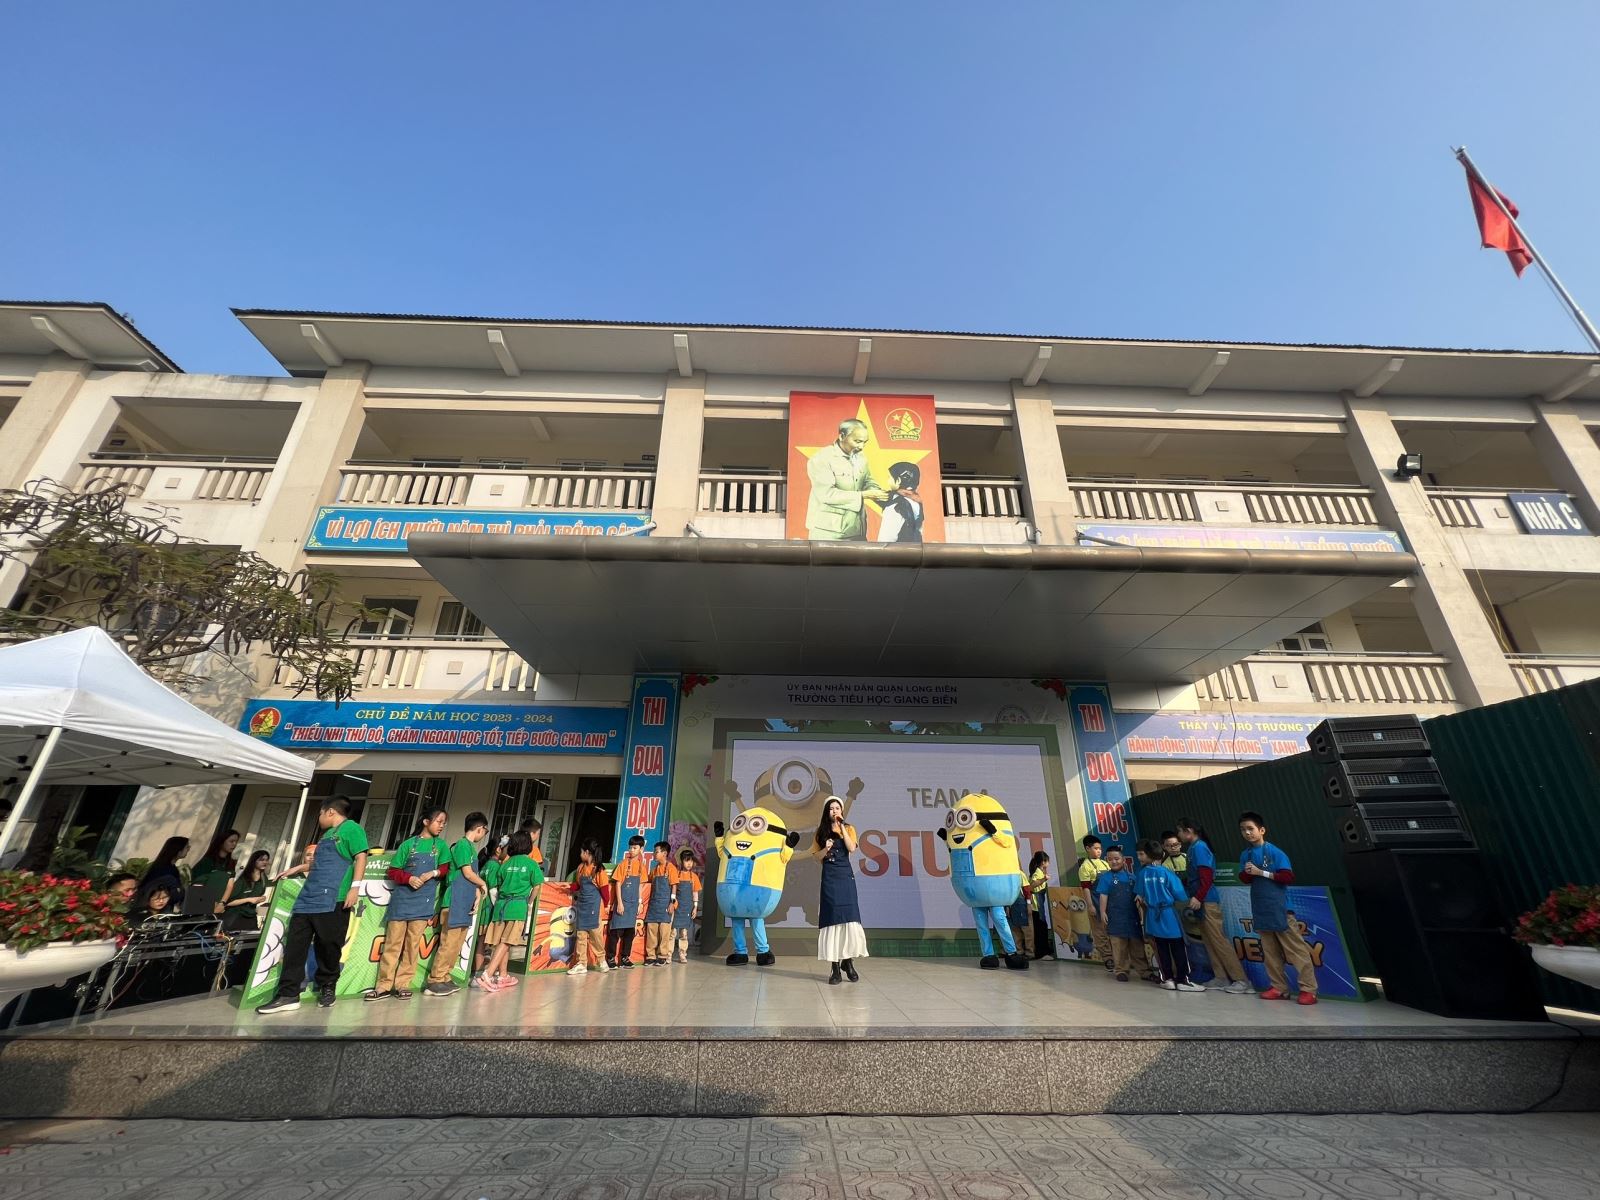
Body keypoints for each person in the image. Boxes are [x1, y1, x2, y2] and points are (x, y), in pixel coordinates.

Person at [256, 797, 369, 1014]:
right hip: (307, 899)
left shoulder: (352, 829)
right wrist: (298, 868)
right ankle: (288, 994)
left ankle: (328, 986)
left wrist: (355, 888)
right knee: (295, 947)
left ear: (330, 812)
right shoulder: (327, 835)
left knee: (328, 946)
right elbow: (319, 863)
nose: (319, 818)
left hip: (333, 898)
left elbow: (361, 857)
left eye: (320, 813)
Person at [366, 806, 450, 1002]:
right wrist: (409, 878)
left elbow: (445, 868)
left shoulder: (441, 846)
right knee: (392, 944)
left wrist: (433, 873)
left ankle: (403, 984)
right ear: (426, 822)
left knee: (412, 946)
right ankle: (383, 985)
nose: (441, 826)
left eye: (443, 823)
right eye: (438, 821)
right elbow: (393, 871)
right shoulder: (408, 845)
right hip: (402, 900)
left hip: (423, 902)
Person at [1238, 811, 1319, 1005]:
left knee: (1296, 950)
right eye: (1243, 830)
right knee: (1270, 952)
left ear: (1262, 830)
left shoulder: (1275, 852)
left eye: (1250, 828)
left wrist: (1261, 872)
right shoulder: (1245, 854)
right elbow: (1244, 878)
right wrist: (1248, 874)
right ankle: (1279, 988)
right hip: (1261, 907)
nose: (1247, 833)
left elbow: (1287, 877)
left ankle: (1308, 989)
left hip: (1281, 908)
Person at [1177, 818, 1252, 995]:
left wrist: (1199, 897)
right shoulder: (1193, 848)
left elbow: (1207, 876)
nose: (1178, 835)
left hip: (1207, 901)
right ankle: (1221, 977)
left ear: (1188, 831)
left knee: (1219, 939)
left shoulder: (1200, 848)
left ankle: (1241, 980)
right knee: (1209, 941)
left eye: (1179, 831)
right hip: (1199, 902)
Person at [426, 811, 490, 998]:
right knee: (449, 943)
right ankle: (435, 980)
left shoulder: (471, 848)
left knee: (457, 943)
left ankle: (445, 976)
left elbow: (472, 876)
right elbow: (468, 873)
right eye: (485, 831)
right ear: (480, 828)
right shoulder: (462, 845)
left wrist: (477, 894)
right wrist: (483, 884)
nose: (483, 835)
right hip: (454, 900)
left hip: (465, 901)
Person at [805, 417, 889, 540]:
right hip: (828, 533)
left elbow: (867, 481)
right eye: (857, 441)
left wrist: (880, 494)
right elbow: (826, 494)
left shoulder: (860, 457)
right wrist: (863, 495)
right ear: (842, 436)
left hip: (857, 529)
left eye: (865, 442)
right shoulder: (821, 458)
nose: (861, 446)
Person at [1136, 840, 1203, 992]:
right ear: (1163, 854)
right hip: (1168, 914)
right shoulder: (1167, 873)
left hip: (1153, 915)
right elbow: (1181, 896)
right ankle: (1183, 980)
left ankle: (1167, 979)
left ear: (1147, 855)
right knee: (1178, 947)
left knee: (1161, 948)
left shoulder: (1143, 873)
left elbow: (1140, 894)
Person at [480, 830, 544, 991]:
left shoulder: (505, 864)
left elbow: (499, 884)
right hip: (517, 907)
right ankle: (488, 973)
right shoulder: (531, 864)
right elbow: (537, 886)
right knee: (507, 942)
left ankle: (503, 975)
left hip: (501, 907)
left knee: (502, 941)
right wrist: (529, 902)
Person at [812, 795, 866, 984]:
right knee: (832, 919)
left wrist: (841, 826)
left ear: (842, 811)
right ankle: (835, 968)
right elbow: (816, 857)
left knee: (849, 919)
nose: (834, 811)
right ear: (826, 811)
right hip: (830, 878)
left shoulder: (849, 828)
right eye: (831, 808)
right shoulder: (820, 832)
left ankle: (848, 962)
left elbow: (851, 848)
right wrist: (825, 849)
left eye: (837, 808)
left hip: (846, 877)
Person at [1093, 847, 1147, 981]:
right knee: (1118, 947)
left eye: (1116, 859)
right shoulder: (1106, 878)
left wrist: (1142, 915)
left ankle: (1145, 971)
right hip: (1115, 918)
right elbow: (1103, 896)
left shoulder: (1132, 877)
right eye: (1110, 859)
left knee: (1137, 946)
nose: (1114, 862)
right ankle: (1121, 970)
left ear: (1123, 860)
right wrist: (1102, 912)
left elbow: (1138, 897)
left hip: (1132, 918)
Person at [568, 840, 611, 976]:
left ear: (587, 852)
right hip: (582, 906)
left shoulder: (598, 870)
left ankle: (602, 960)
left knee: (595, 936)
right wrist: (568, 887)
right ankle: (581, 963)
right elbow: (578, 885)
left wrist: (607, 905)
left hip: (593, 908)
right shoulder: (581, 868)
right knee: (581, 935)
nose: (580, 854)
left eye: (582, 852)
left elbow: (605, 891)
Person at [607, 835, 648, 968]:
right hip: (622, 902)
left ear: (641, 849)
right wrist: (619, 903)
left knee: (630, 933)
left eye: (635, 848)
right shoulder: (623, 864)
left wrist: (640, 902)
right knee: (615, 932)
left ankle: (625, 958)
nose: (631, 850)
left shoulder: (642, 866)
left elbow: (640, 886)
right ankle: (610, 958)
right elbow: (618, 884)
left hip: (633, 904)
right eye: (630, 847)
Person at [473, 837, 510, 984]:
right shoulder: (496, 866)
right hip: (490, 908)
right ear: (499, 849)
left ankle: (476, 973)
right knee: (488, 942)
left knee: (481, 941)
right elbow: (494, 890)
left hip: (483, 907)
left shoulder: (486, 865)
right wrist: (499, 910)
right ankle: (480, 975)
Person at [1077, 835, 1114, 971]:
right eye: (1096, 848)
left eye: (1100, 849)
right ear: (1087, 848)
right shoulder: (1085, 867)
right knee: (1099, 932)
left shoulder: (1105, 863)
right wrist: (1090, 905)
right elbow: (1086, 888)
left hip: (1110, 902)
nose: (1099, 851)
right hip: (1096, 901)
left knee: (1112, 931)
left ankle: (1118, 957)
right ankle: (1108, 958)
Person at [219, 851, 272, 933]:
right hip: (234, 917)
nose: (265, 862)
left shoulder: (264, 879)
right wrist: (249, 900)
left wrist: (262, 901)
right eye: (261, 860)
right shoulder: (242, 879)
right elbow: (227, 903)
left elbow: (258, 903)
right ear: (253, 861)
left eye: (266, 860)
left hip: (251, 917)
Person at [875, 461, 925, 543]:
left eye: (889, 477)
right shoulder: (916, 501)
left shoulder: (895, 506)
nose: (888, 480)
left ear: (898, 480)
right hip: (913, 549)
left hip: (897, 550)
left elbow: (885, 540)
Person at [642, 841, 675, 966]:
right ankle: (650, 956)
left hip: (665, 905)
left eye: (656, 852)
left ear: (664, 853)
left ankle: (662, 955)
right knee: (652, 931)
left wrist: (672, 903)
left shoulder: (671, 868)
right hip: (654, 905)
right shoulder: (654, 870)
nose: (654, 854)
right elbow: (648, 882)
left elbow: (674, 886)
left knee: (664, 931)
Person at [139, 837, 190, 911]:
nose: (188, 849)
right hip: (157, 910)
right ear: (179, 850)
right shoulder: (165, 871)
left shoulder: (169, 868)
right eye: (187, 847)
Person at [670, 847, 701, 964]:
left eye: (691, 861)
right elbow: (672, 890)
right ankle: (668, 954)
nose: (689, 863)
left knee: (684, 933)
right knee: (672, 933)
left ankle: (682, 954)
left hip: (687, 908)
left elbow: (695, 893)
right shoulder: (676, 875)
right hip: (676, 908)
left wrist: (695, 907)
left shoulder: (694, 877)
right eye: (686, 860)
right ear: (681, 861)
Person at [1027, 851, 1056, 960]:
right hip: (1036, 906)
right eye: (1048, 861)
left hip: (1039, 904)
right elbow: (1031, 886)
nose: (1048, 863)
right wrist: (1044, 879)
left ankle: (1044, 950)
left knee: (1041, 927)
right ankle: (1041, 953)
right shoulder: (1038, 873)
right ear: (1043, 862)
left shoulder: (1039, 871)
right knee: (1041, 928)